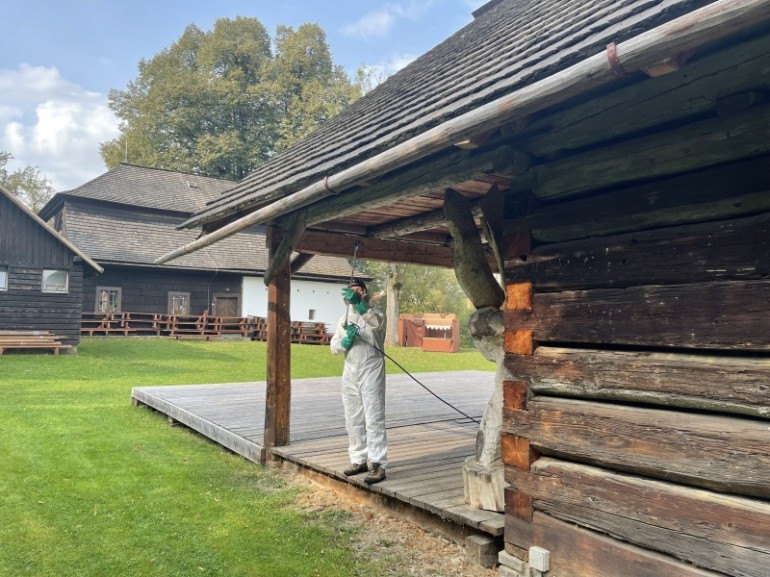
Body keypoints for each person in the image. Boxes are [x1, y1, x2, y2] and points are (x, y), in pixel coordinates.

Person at [329, 278, 388, 484]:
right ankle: (358, 459)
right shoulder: (343, 319)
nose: (355, 293)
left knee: (373, 417)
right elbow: (334, 346)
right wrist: (345, 342)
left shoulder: (375, 312)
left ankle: (378, 464)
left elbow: (377, 324)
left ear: (364, 293)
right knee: (353, 418)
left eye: (359, 291)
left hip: (371, 368)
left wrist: (361, 306)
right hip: (350, 370)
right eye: (352, 291)